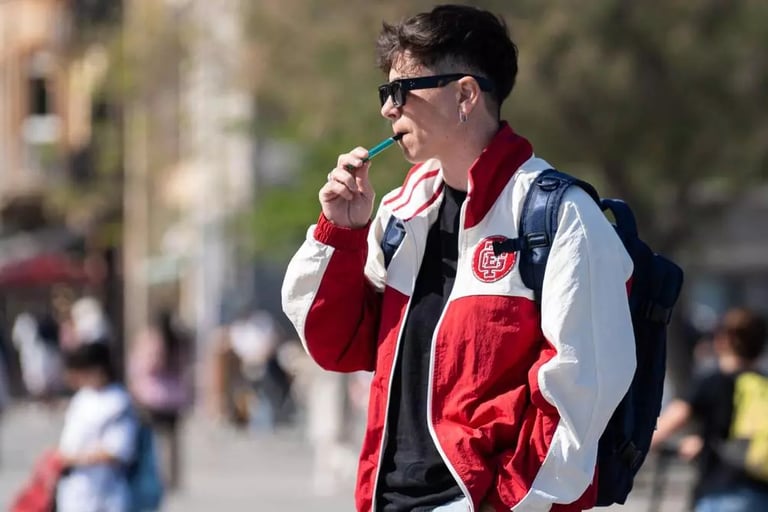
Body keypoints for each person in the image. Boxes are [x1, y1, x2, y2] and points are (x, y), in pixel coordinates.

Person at [281, 5, 636, 512]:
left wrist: (506, 502)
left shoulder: (559, 215)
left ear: (465, 95)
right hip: (386, 498)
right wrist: (341, 232)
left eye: (401, 91)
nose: (388, 110)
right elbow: (337, 345)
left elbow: (583, 390)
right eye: (386, 92)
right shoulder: (403, 211)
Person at [651, 308, 768, 512]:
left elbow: (672, 420)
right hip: (761, 494)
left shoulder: (712, 381)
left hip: (723, 492)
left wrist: (640, 446)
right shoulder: (763, 384)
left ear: (722, 341)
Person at [56, 342, 138, 512]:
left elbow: (117, 451)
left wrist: (75, 458)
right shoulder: (82, 397)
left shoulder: (118, 402)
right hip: (75, 491)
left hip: (104, 492)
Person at [128, 309, 193, 490]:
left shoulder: (152, 340)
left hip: (153, 396)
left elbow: (143, 367)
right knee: (173, 441)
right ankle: (174, 477)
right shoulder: (178, 342)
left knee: (153, 440)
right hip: (175, 396)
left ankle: (157, 476)